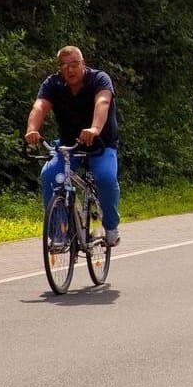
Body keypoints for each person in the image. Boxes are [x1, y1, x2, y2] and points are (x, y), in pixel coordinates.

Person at [25, 46, 122, 247]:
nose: (70, 70)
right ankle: (60, 232)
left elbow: (103, 102)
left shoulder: (99, 79)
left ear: (83, 64)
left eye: (74, 64)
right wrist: (32, 129)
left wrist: (94, 128)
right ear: (59, 68)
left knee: (105, 177)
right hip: (70, 146)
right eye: (64, 65)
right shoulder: (53, 84)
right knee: (49, 175)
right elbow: (40, 106)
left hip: (100, 144)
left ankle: (111, 226)